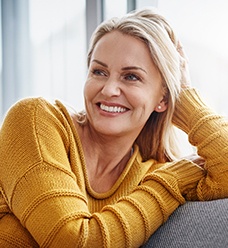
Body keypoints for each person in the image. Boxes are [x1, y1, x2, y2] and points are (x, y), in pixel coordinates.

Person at [0, 7, 227, 248]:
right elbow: (73, 241)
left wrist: (185, 99)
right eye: (99, 71)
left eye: (131, 77)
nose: (108, 90)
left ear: (162, 99)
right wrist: (171, 182)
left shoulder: (153, 173)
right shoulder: (36, 121)